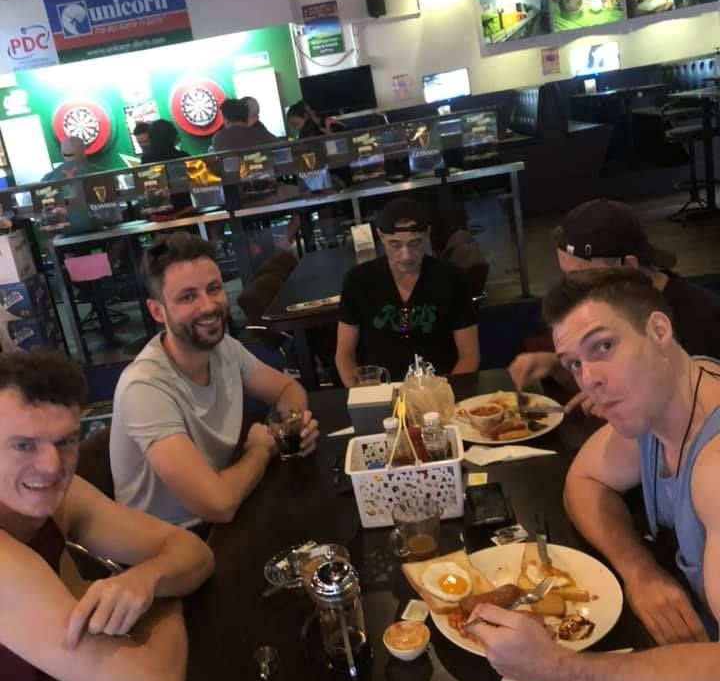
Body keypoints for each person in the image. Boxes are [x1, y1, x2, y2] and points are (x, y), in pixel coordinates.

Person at [467, 268, 720, 681]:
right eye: (575, 364)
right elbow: (583, 480)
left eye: (603, 347)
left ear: (659, 330)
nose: (590, 381)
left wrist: (557, 669)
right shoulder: (665, 397)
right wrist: (639, 570)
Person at [0, 349, 214, 681]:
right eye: (24, 445)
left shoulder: (56, 495)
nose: (52, 467)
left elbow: (193, 553)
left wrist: (148, 578)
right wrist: (165, 594)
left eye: (66, 441)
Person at [110, 232, 319, 528]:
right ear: (157, 311)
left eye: (213, 288)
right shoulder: (144, 387)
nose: (208, 306)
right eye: (188, 296)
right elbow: (218, 505)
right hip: (173, 541)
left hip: (223, 509)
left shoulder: (223, 348)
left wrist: (293, 426)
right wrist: (259, 450)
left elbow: (287, 388)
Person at [508, 198, 720, 415]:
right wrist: (557, 366)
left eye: (582, 276)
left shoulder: (701, 320)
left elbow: (702, 411)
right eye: (567, 276)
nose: (573, 289)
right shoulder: (608, 308)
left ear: (629, 266)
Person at [335, 197, 479, 385]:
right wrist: (361, 396)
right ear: (381, 236)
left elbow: (469, 355)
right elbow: (344, 355)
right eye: (395, 245)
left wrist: (444, 394)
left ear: (427, 234)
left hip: (439, 386)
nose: (406, 255)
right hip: (379, 389)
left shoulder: (450, 278)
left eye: (415, 243)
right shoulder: (359, 280)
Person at [211, 97, 277, 152]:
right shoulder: (262, 134)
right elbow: (282, 146)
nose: (256, 118)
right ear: (246, 116)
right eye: (254, 114)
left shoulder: (218, 139)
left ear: (226, 120)